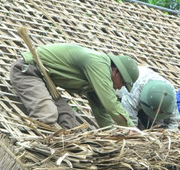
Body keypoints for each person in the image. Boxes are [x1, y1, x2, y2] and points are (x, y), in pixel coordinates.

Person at [9, 43, 139, 128]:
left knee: (68, 118)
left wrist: (113, 134)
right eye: (122, 83)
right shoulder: (98, 64)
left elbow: (103, 114)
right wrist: (133, 131)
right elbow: (111, 105)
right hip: (28, 72)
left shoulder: (95, 78)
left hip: (45, 83)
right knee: (47, 115)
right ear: (116, 71)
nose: (118, 88)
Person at [120, 66, 180, 131]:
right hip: (126, 92)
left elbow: (174, 123)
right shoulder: (134, 90)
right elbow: (129, 119)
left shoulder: (171, 96)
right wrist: (135, 130)